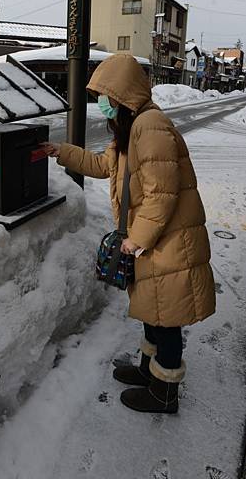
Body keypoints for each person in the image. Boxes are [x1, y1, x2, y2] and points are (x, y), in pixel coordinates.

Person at [42, 54, 216, 414]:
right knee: (154, 311)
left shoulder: (150, 127)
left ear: (122, 94)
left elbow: (161, 194)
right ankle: (147, 371)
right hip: (158, 242)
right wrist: (61, 152)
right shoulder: (132, 127)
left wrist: (136, 238)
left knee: (166, 319)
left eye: (105, 96)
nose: (101, 104)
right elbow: (105, 166)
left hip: (169, 243)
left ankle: (164, 393)